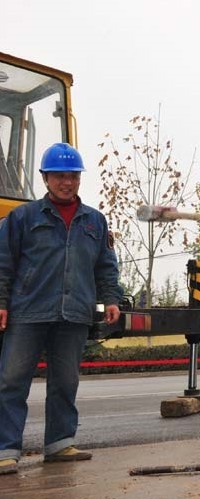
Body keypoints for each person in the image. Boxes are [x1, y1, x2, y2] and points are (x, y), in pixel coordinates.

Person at [0, 143, 123, 476]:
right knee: (11, 380)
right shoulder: (22, 218)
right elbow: (3, 263)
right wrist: (1, 302)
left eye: (72, 176)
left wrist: (111, 299)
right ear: (45, 177)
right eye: (59, 176)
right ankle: (5, 449)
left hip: (74, 314)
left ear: (79, 179)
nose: (66, 182)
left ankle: (59, 443)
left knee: (66, 381)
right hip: (28, 312)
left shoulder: (94, 221)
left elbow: (105, 266)